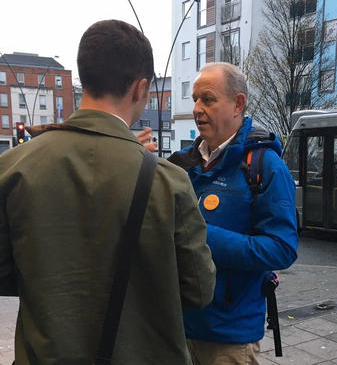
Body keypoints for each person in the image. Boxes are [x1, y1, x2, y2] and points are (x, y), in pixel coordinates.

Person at [0, 20, 216, 364]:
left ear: (85, 77)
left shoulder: (12, 168)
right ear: (139, 88)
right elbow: (199, 290)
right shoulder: (167, 181)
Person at [168, 62, 298, 365]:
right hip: (176, 326)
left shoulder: (264, 166)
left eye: (208, 99)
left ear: (237, 103)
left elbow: (282, 249)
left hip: (229, 337)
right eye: (195, 99)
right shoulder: (181, 165)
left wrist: (200, 237)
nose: (197, 108)